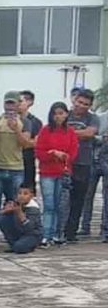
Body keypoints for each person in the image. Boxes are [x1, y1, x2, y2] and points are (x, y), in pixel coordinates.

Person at [0, 91, 33, 240]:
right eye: (8, 103)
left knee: (16, 204)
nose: (10, 107)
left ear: (19, 104)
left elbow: (25, 144)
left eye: (13, 103)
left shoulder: (25, 122)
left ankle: (14, 235)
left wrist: (16, 129)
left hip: (16, 169)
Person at [35, 102, 78, 247]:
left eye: (61, 113)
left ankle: (58, 234)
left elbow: (73, 152)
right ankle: (46, 235)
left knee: (61, 205)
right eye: (55, 113)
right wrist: (52, 153)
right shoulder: (45, 131)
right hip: (47, 172)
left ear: (66, 114)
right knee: (49, 205)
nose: (58, 116)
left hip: (63, 173)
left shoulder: (70, 132)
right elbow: (39, 152)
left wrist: (64, 156)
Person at [65, 88, 100, 242]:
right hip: (64, 163)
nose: (81, 106)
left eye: (86, 104)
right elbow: (56, 131)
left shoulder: (93, 118)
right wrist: (78, 133)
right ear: (74, 100)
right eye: (79, 102)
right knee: (63, 200)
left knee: (78, 200)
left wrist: (68, 133)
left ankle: (71, 232)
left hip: (83, 164)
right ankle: (59, 230)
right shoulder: (64, 115)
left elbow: (90, 133)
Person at [82, 111, 107, 238]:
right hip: (93, 159)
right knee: (87, 195)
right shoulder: (100, 118)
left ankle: (105, 230)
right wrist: (102, 138)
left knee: (106, 196)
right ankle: (84, 226)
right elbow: (91, 136)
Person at [0, 185, 42, 254]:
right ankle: (13, 243)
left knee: (19, 248)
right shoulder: (15, 203)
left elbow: (29, 228)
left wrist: (19, 213)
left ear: (32, 196)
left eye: (25, 194)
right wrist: (5, 211)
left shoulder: (33, 209)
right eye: (19, 193)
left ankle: (26, 246)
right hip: (19, 232)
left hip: (31, 235)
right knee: (2, 218)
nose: (21, 196)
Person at [19, 90, 43, 189]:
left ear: (29, 102)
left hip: (27, 161)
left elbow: (36, 143)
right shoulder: (6, 119)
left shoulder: (36, 122)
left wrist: (22, 142)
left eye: (20, 101)